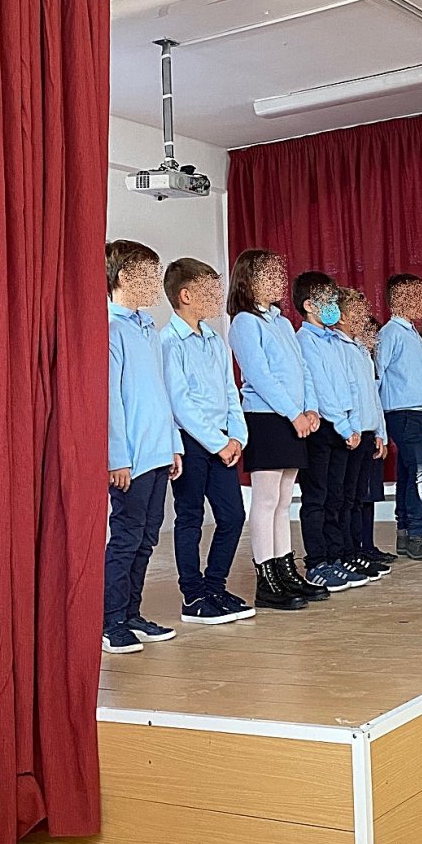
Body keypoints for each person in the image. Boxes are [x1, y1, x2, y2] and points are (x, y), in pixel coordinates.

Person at [226, 249, 328, 611]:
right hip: (267, 418)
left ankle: (286, 570)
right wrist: (292, 413)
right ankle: (266, 578)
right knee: (266, 500)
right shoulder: (244, 322)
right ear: (248, 281)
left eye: (278, 274)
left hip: (293, 417)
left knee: (284, 501)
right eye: (268, 275)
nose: (277, 281)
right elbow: (260, 376)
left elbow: (303, 369)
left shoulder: (283, 323)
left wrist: (310, 408)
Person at [159, 257, 256, 627]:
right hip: (192, 442)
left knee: (232, 516)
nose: (218, 296)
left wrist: (237, 437)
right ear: (186, 295)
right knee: (190, 517)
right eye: (210, 289)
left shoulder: (215, 340)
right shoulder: (169, 342)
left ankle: (215, 586)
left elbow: (230, 391)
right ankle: (193, 595)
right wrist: (217, 442)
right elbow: (180, 402)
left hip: (223, 443)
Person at [105, 240, 183, 654]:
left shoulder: (147, 328)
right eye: (148, 274)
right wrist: (117, 458)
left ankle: (131, 612)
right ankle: (110, 620)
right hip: (131, 459)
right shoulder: (111, 328)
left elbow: (161, 393)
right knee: (126, 537)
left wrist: (173, 445)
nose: (155, 282)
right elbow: (110, 401)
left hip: (157, 452)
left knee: (147, 538)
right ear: (123, 277)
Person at [294, 271, 373, 592]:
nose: (333, 306)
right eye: (327, 300)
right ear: (309, 305)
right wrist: (342, 425)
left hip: (343, 427)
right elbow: (321, 389)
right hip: (323, 428)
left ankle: (337, 556)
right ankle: (318, 562)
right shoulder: (305, 341)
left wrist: (353, 425)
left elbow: (350, 385)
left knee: (337, 496)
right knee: (317, 496)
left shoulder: (334, 341)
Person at [376, 273, 422, 561]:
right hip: (400, 412)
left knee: (408, 470)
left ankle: (406, 531)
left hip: (417, 413)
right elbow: (377, 374)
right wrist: (377, 421)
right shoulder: (390, 332)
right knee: (420, 470)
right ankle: (415, 531)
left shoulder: (413, 334)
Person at [335, 289, 391, 577]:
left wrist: (380, 431)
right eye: (357, 313)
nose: (363, 319)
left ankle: (359, 550)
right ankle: (345, 552)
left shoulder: (361, 350)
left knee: (359, 497)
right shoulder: (339, 347)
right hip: (351, 433)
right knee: (346, 498)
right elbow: (346, 393)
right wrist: (351, 427)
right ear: (342, 316)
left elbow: (372, 395)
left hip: (368, 432)